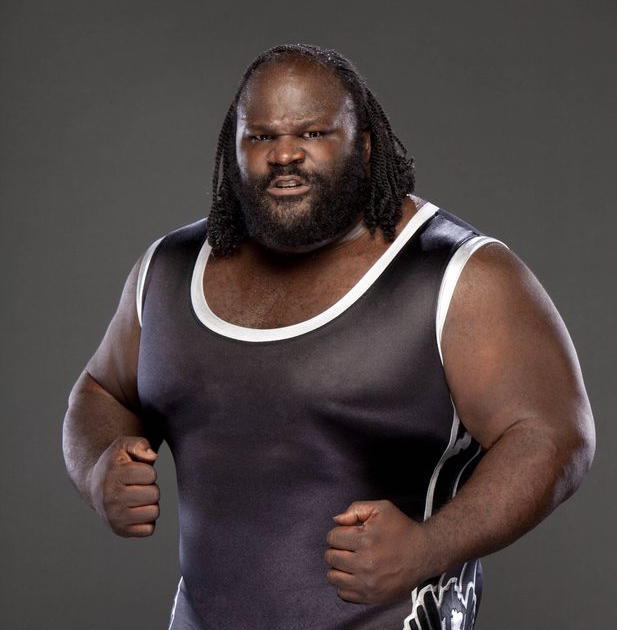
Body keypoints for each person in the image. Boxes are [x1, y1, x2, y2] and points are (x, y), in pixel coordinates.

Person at [63, 44, 595, 630]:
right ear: (233, 147)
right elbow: (101, 390)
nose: (284, 154)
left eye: (313, 132)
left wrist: (429, 547)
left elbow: (553, 436)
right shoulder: (168, 270)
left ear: (363, 145)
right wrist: (98, 469)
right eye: (260, 137)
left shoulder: (458, 275)